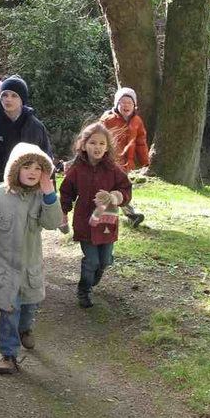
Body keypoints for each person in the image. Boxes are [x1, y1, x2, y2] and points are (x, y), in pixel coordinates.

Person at [0, 143, 61, 374]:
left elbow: (52, 223)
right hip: (5, 267)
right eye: (26, 166)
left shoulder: (42, 197)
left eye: (39, 168)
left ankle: (26, 329)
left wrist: (50, 194)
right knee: (9, 310)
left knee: (29, 306)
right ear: (14, 169)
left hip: (30, 268)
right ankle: (8, 355)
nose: (33, 172)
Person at [59, 122, 132, 309]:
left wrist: (115, 196)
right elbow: (66, 193)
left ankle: (92, 280)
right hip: (85, 223)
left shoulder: (113, 169)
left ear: (107, 146)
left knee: (105, 261)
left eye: (101, 143)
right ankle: (84, 289)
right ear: (83, 145)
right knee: (91, 260)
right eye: (92, 143)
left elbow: (126, 189)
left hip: (106, 222)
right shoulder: (76, 170)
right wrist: (63, 213)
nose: (97, 147)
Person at [0, 75, 52, 218]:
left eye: (14, 96)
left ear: (22, 100)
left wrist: (49, 196)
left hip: (27, 191)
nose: (8, 99)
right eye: (5, 95)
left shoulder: (35, 127)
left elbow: (46, 160)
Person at [100, 87, 149, 227]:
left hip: (125, 162)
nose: (126, 105)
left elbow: (141, 141)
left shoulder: (137, 121)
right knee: (108, 186)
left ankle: (130, 215)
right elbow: (97, 137)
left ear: (134, 105)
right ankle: (111, 215)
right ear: (116, 104)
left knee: (122, 187)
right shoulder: (107, 119)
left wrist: (144, 159)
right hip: (108, 160)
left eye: (129, 102)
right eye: (122, 102)